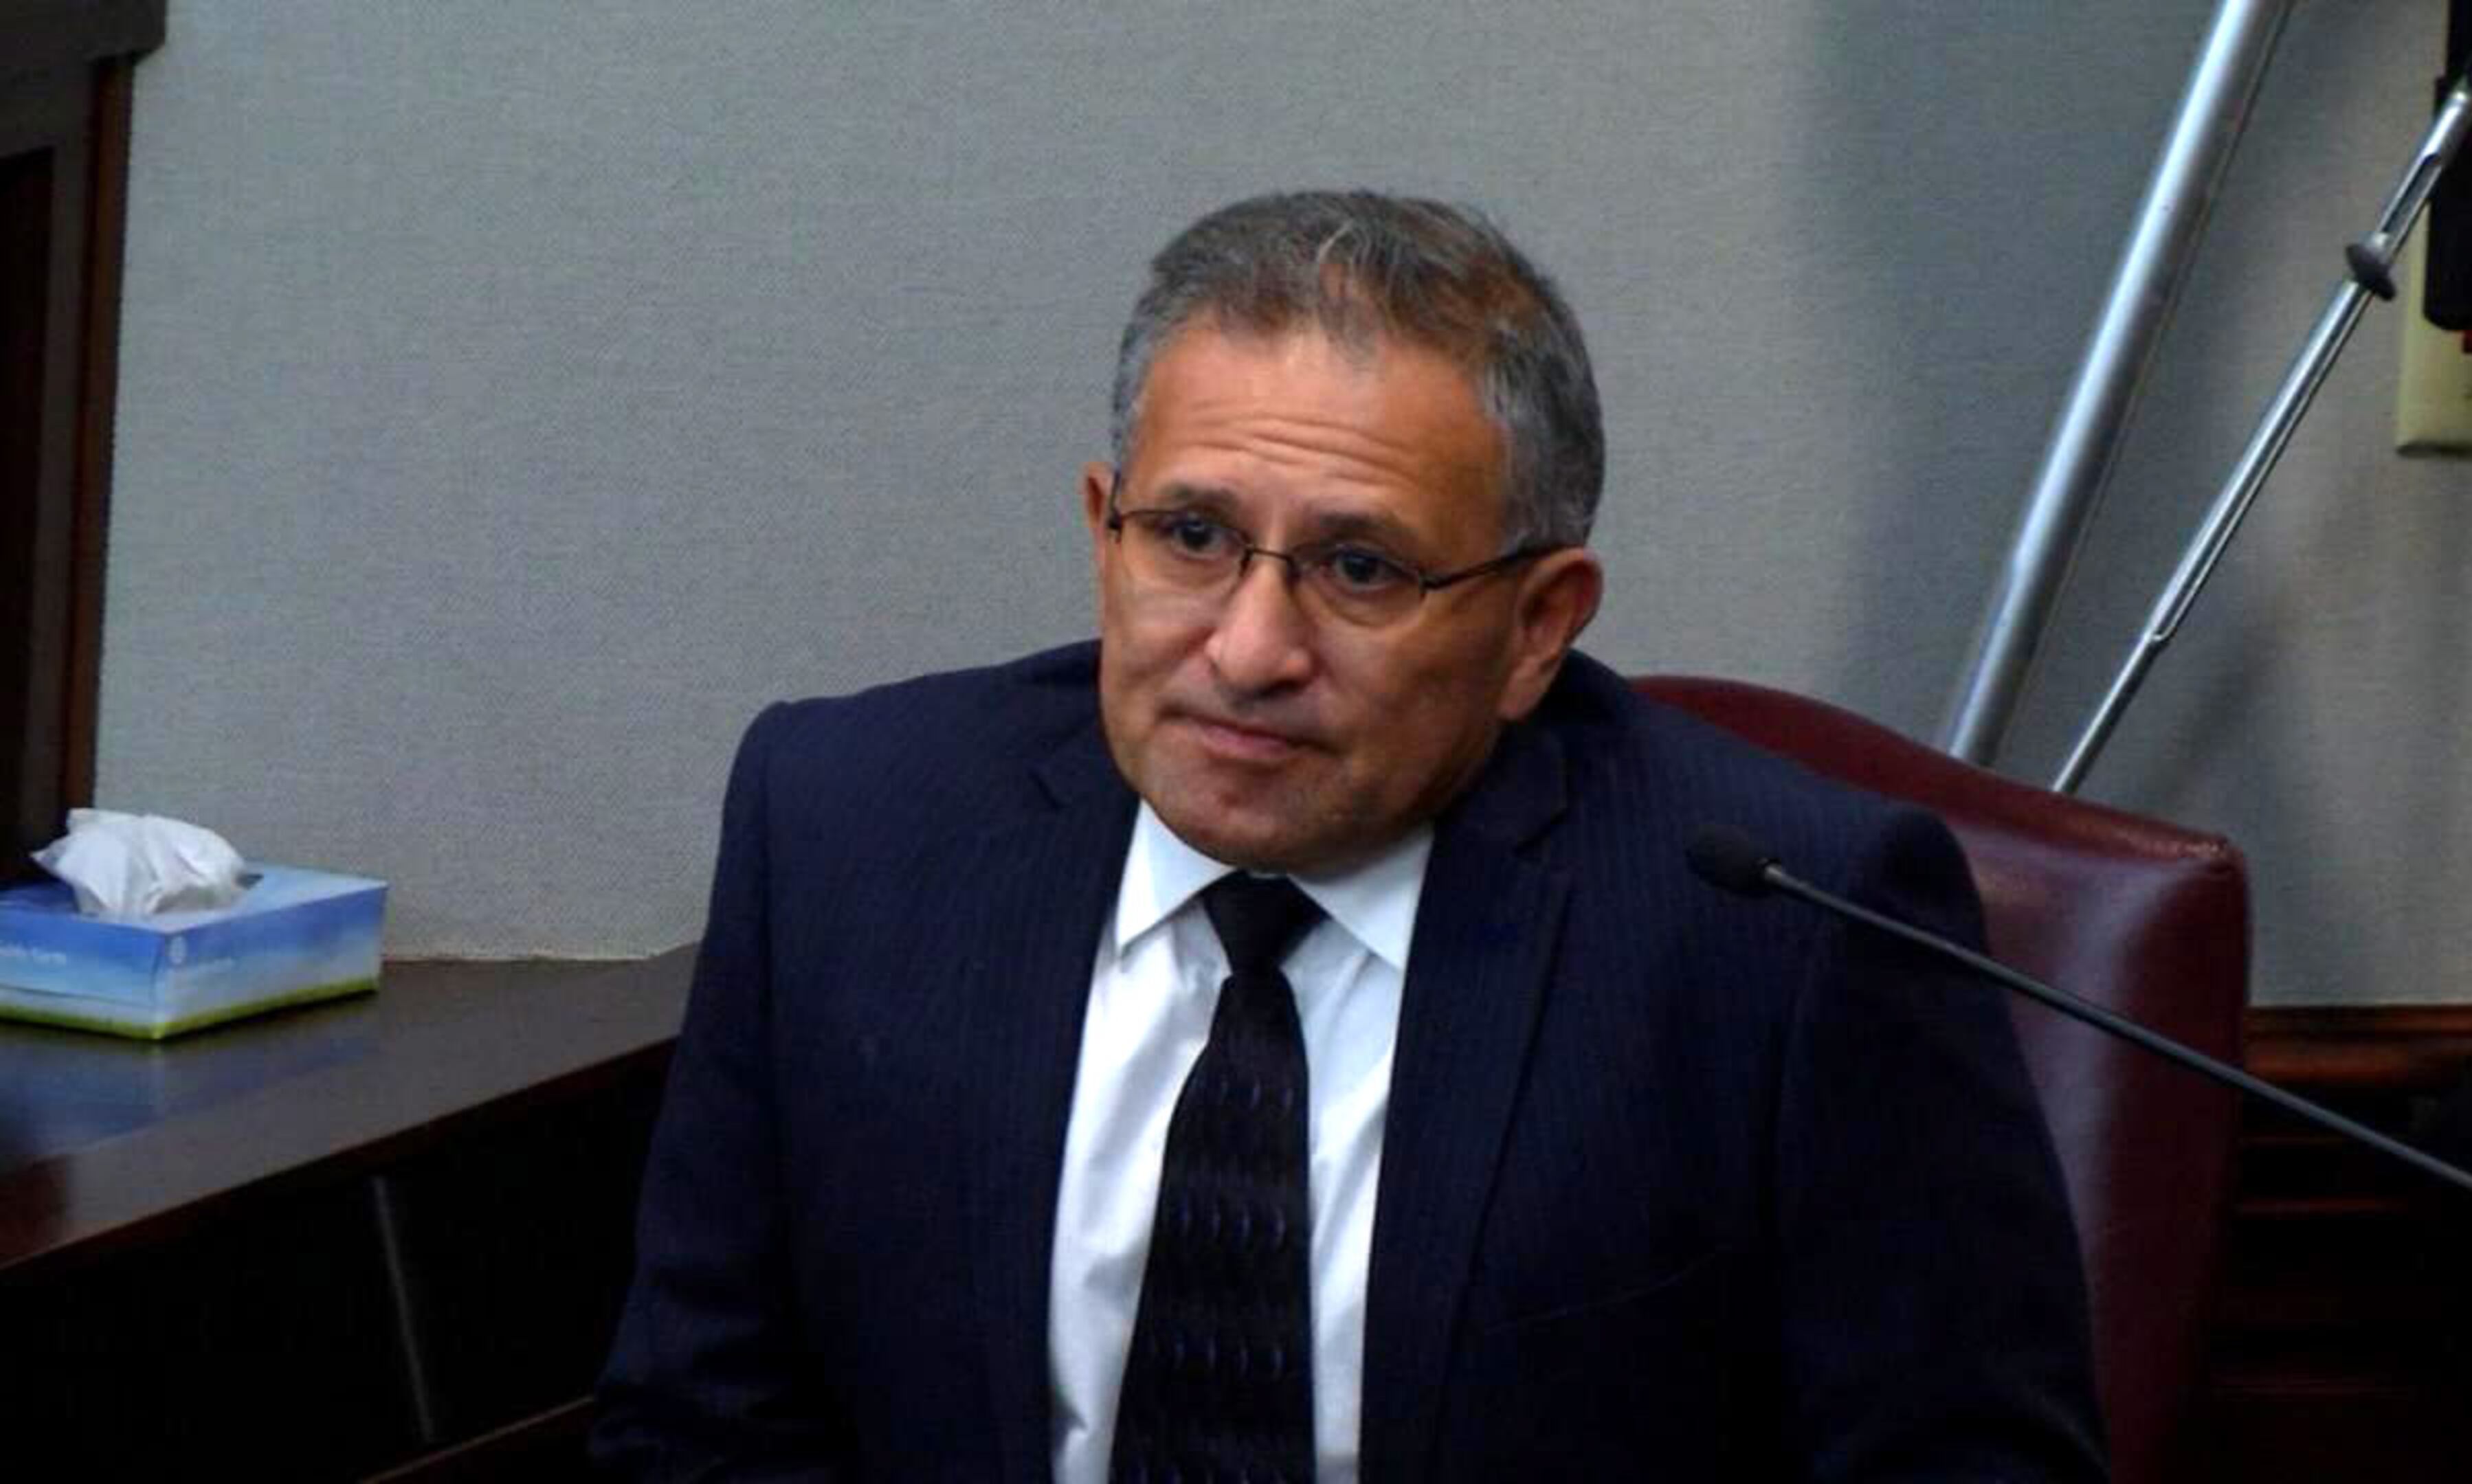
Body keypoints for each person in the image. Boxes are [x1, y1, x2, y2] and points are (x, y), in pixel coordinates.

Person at [594, 190, 2106, 1481]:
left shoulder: (1783, 930)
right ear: (1102, 528)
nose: (1250, 649)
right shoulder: (849, 826)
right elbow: (703, 1423)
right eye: (1191, 538)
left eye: (1361, 567)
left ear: (1537, 626)